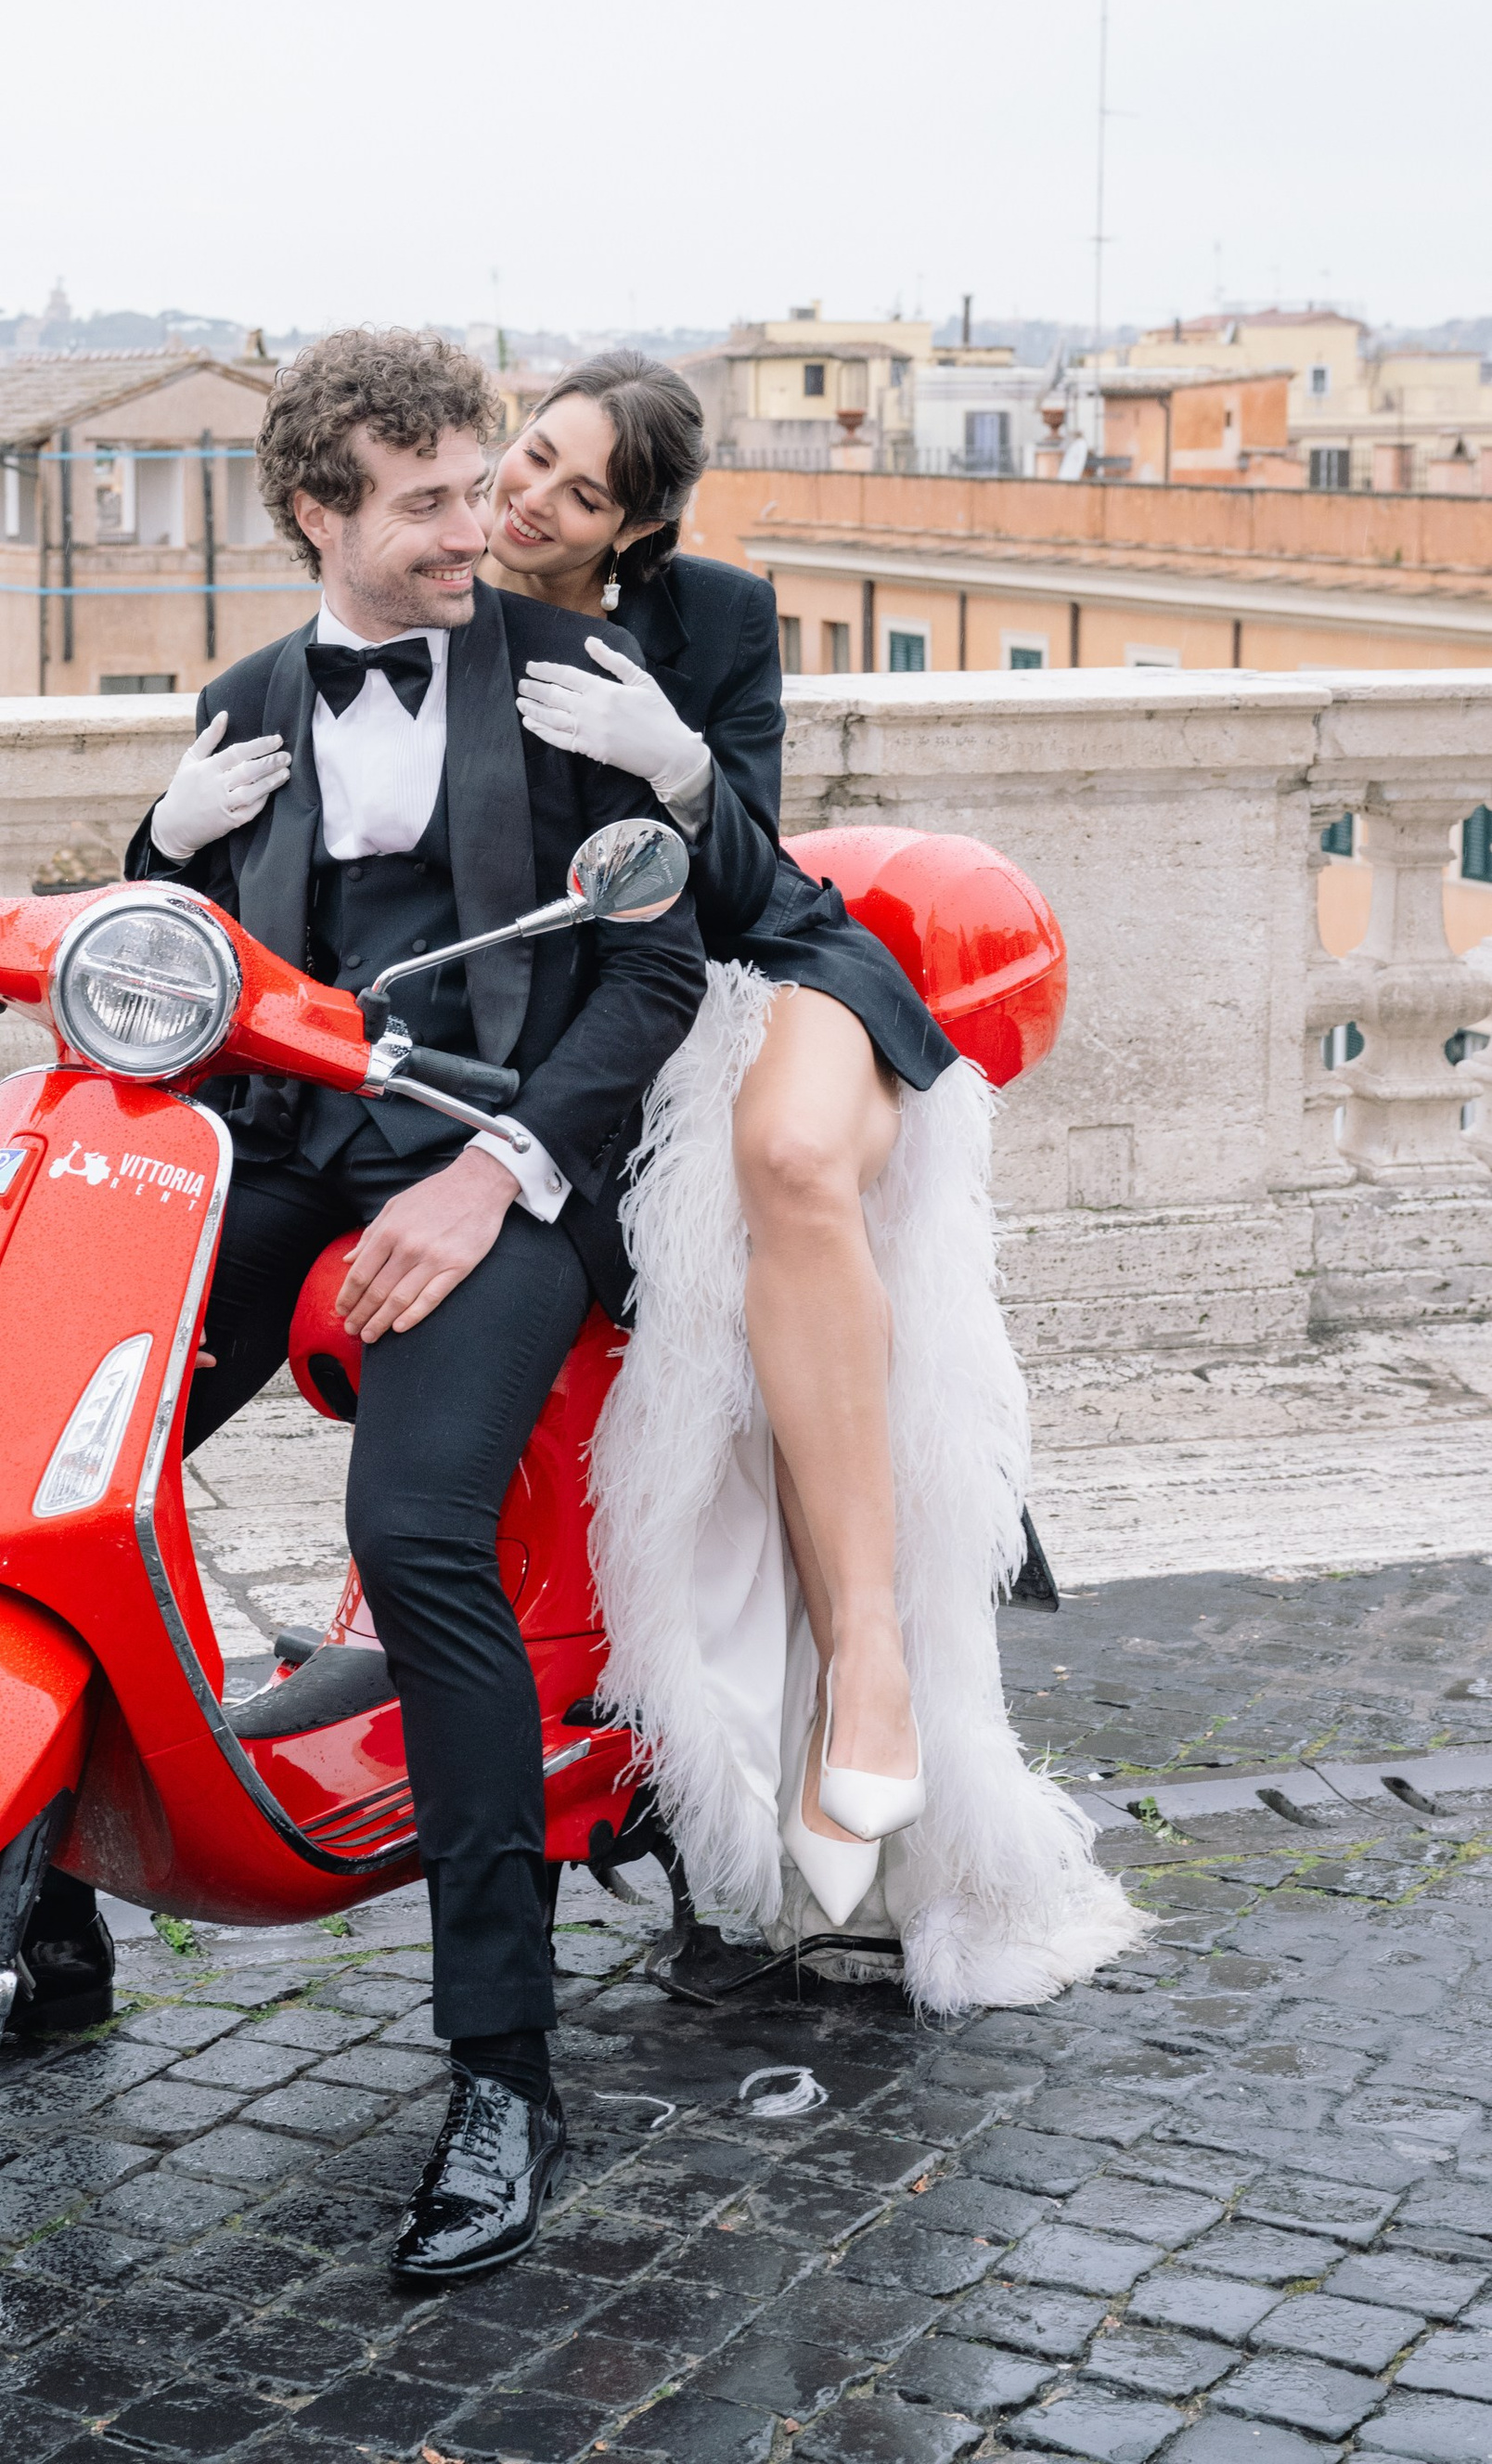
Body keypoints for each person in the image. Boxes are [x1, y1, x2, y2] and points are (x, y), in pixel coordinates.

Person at [25, 328, 757, 2279]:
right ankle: (43, 1894)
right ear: (317, 514)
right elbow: (179, 953)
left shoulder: (579, 677)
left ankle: (502, 2073)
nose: (480, 527)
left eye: (479, 488)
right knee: (62, 1454)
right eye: (431, 503)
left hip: (505, 1160)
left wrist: (490, 1174)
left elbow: (655, 979)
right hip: (282, 1153)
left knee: (412, 1531)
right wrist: (157, 849)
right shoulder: (250, 694)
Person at [484, 350, 1144, 2007]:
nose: (529, 496)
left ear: (634, 527)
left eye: (578, 489)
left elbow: (752, 874)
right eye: (528, 455)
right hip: (588, 1039)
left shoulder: (715, 618)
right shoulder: (444, 607)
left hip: (765, 979)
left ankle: (871, 1675)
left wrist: (678, 761)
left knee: (784, 1154)